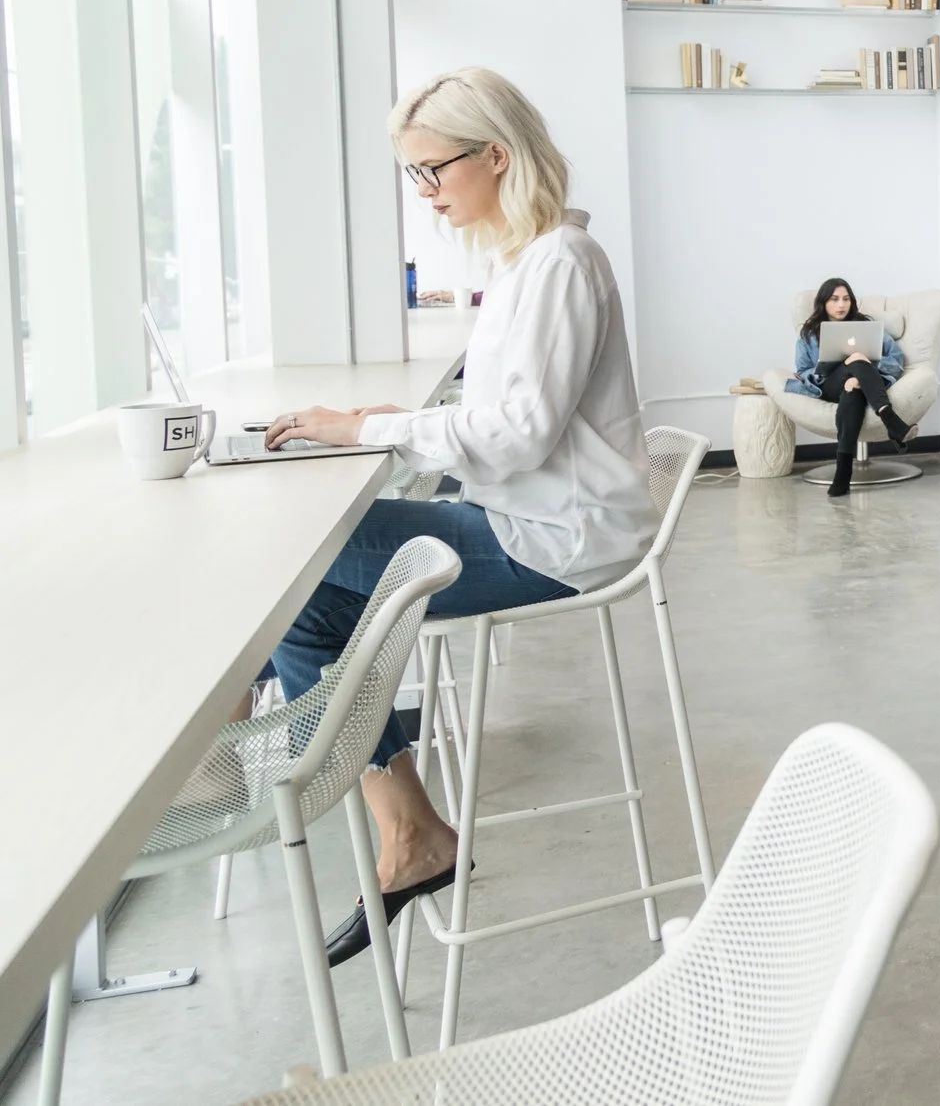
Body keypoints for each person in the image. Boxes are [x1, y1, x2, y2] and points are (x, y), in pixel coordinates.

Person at [259, 67, 657, 964]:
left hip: (558, 537)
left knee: (297, 567)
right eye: (417, 174)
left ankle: (398, 825)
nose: (427, 192)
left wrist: (370, 426)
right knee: (308, 604)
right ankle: (409, 829)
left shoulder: (559, 260)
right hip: (530, 513)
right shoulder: (521, 260)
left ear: (497, 156)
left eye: (433, 170)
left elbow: (516, 434)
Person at [789, 276, 909, 497]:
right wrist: (837, 365)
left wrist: (862, 371)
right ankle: (890, 417)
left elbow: (896, 358)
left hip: (860, 386)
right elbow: (802, 370)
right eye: (834, 299)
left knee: (852, 390)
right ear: (824, 303)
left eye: (846, 299)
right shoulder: (809, 334)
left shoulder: (866, 326)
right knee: (855, 360)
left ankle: (842, 473)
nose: (841, 305)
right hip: (828, 385)